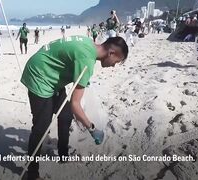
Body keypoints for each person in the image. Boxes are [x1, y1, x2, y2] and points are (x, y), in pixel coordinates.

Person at [21, 35, 128, 180]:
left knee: (65, 116)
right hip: (39, 75)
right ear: (111, 53)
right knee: (41, 127)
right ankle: (32, 174)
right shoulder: (86, 60)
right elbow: (75, 105)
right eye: (116, 61)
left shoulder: (89, 44)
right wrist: (92, 128)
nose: (114, 65)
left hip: (53, 75)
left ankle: (63, 155)